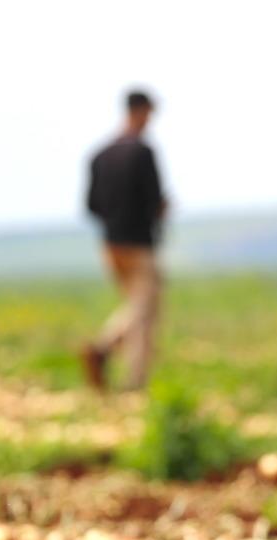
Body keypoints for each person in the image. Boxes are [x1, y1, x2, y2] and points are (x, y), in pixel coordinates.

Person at [81, 89, 167, 391]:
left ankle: (102, 352)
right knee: (144, 313)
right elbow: (155, 200)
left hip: (111, 244)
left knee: (137, 305)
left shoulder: (100, 155)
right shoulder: (143, 152)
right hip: (139, 243)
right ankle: (133, 384)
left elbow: (91, 205)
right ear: (142, 111)